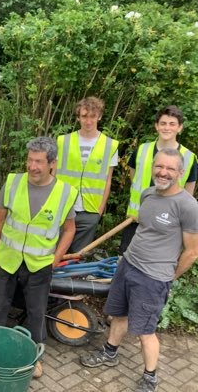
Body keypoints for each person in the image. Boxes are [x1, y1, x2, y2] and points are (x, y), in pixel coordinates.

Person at [80, 148, 198, 392]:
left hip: (153, 278)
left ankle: (150, 377)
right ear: (153, 166)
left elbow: (192, 252)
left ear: (181, 172)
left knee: (145, 330)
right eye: (159, 166)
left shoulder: (188, 206)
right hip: (128, 265)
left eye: (170, 168)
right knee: (118, 314)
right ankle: (110, 353)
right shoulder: (148, 194)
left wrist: (168, 276)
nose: (163, 172)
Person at [0, 137, 77, 378]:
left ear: (52, 164)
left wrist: (55, 259)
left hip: (39, 265)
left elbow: (69, 229)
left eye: (38, 161)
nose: (32, 166)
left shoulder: (66, 192)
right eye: (29, 160)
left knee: (36, 313)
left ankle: (33, 358)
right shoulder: (13, 182)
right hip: (7, 259)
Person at [120, 105, 197, 254]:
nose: (167, 128)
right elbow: (134, 177)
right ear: (156, 126)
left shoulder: (189, 158)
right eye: (163, 123)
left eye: (172, 124)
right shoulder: (142, 150)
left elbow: (189, 195)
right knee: (125, 261)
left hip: (166, 226)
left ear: (180, 128)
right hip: (136, 219)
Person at [56, 97, 118, 253]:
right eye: (84, 116)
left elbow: (107, 181)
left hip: (90, 210)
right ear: (78, 117)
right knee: (54, 254)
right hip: (62, 207)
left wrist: (99, 211)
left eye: (92, 116)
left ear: (99, 116)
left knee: (77, 257)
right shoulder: (63, 141)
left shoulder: (110, 145)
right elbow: (53, 173)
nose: (88, 121)